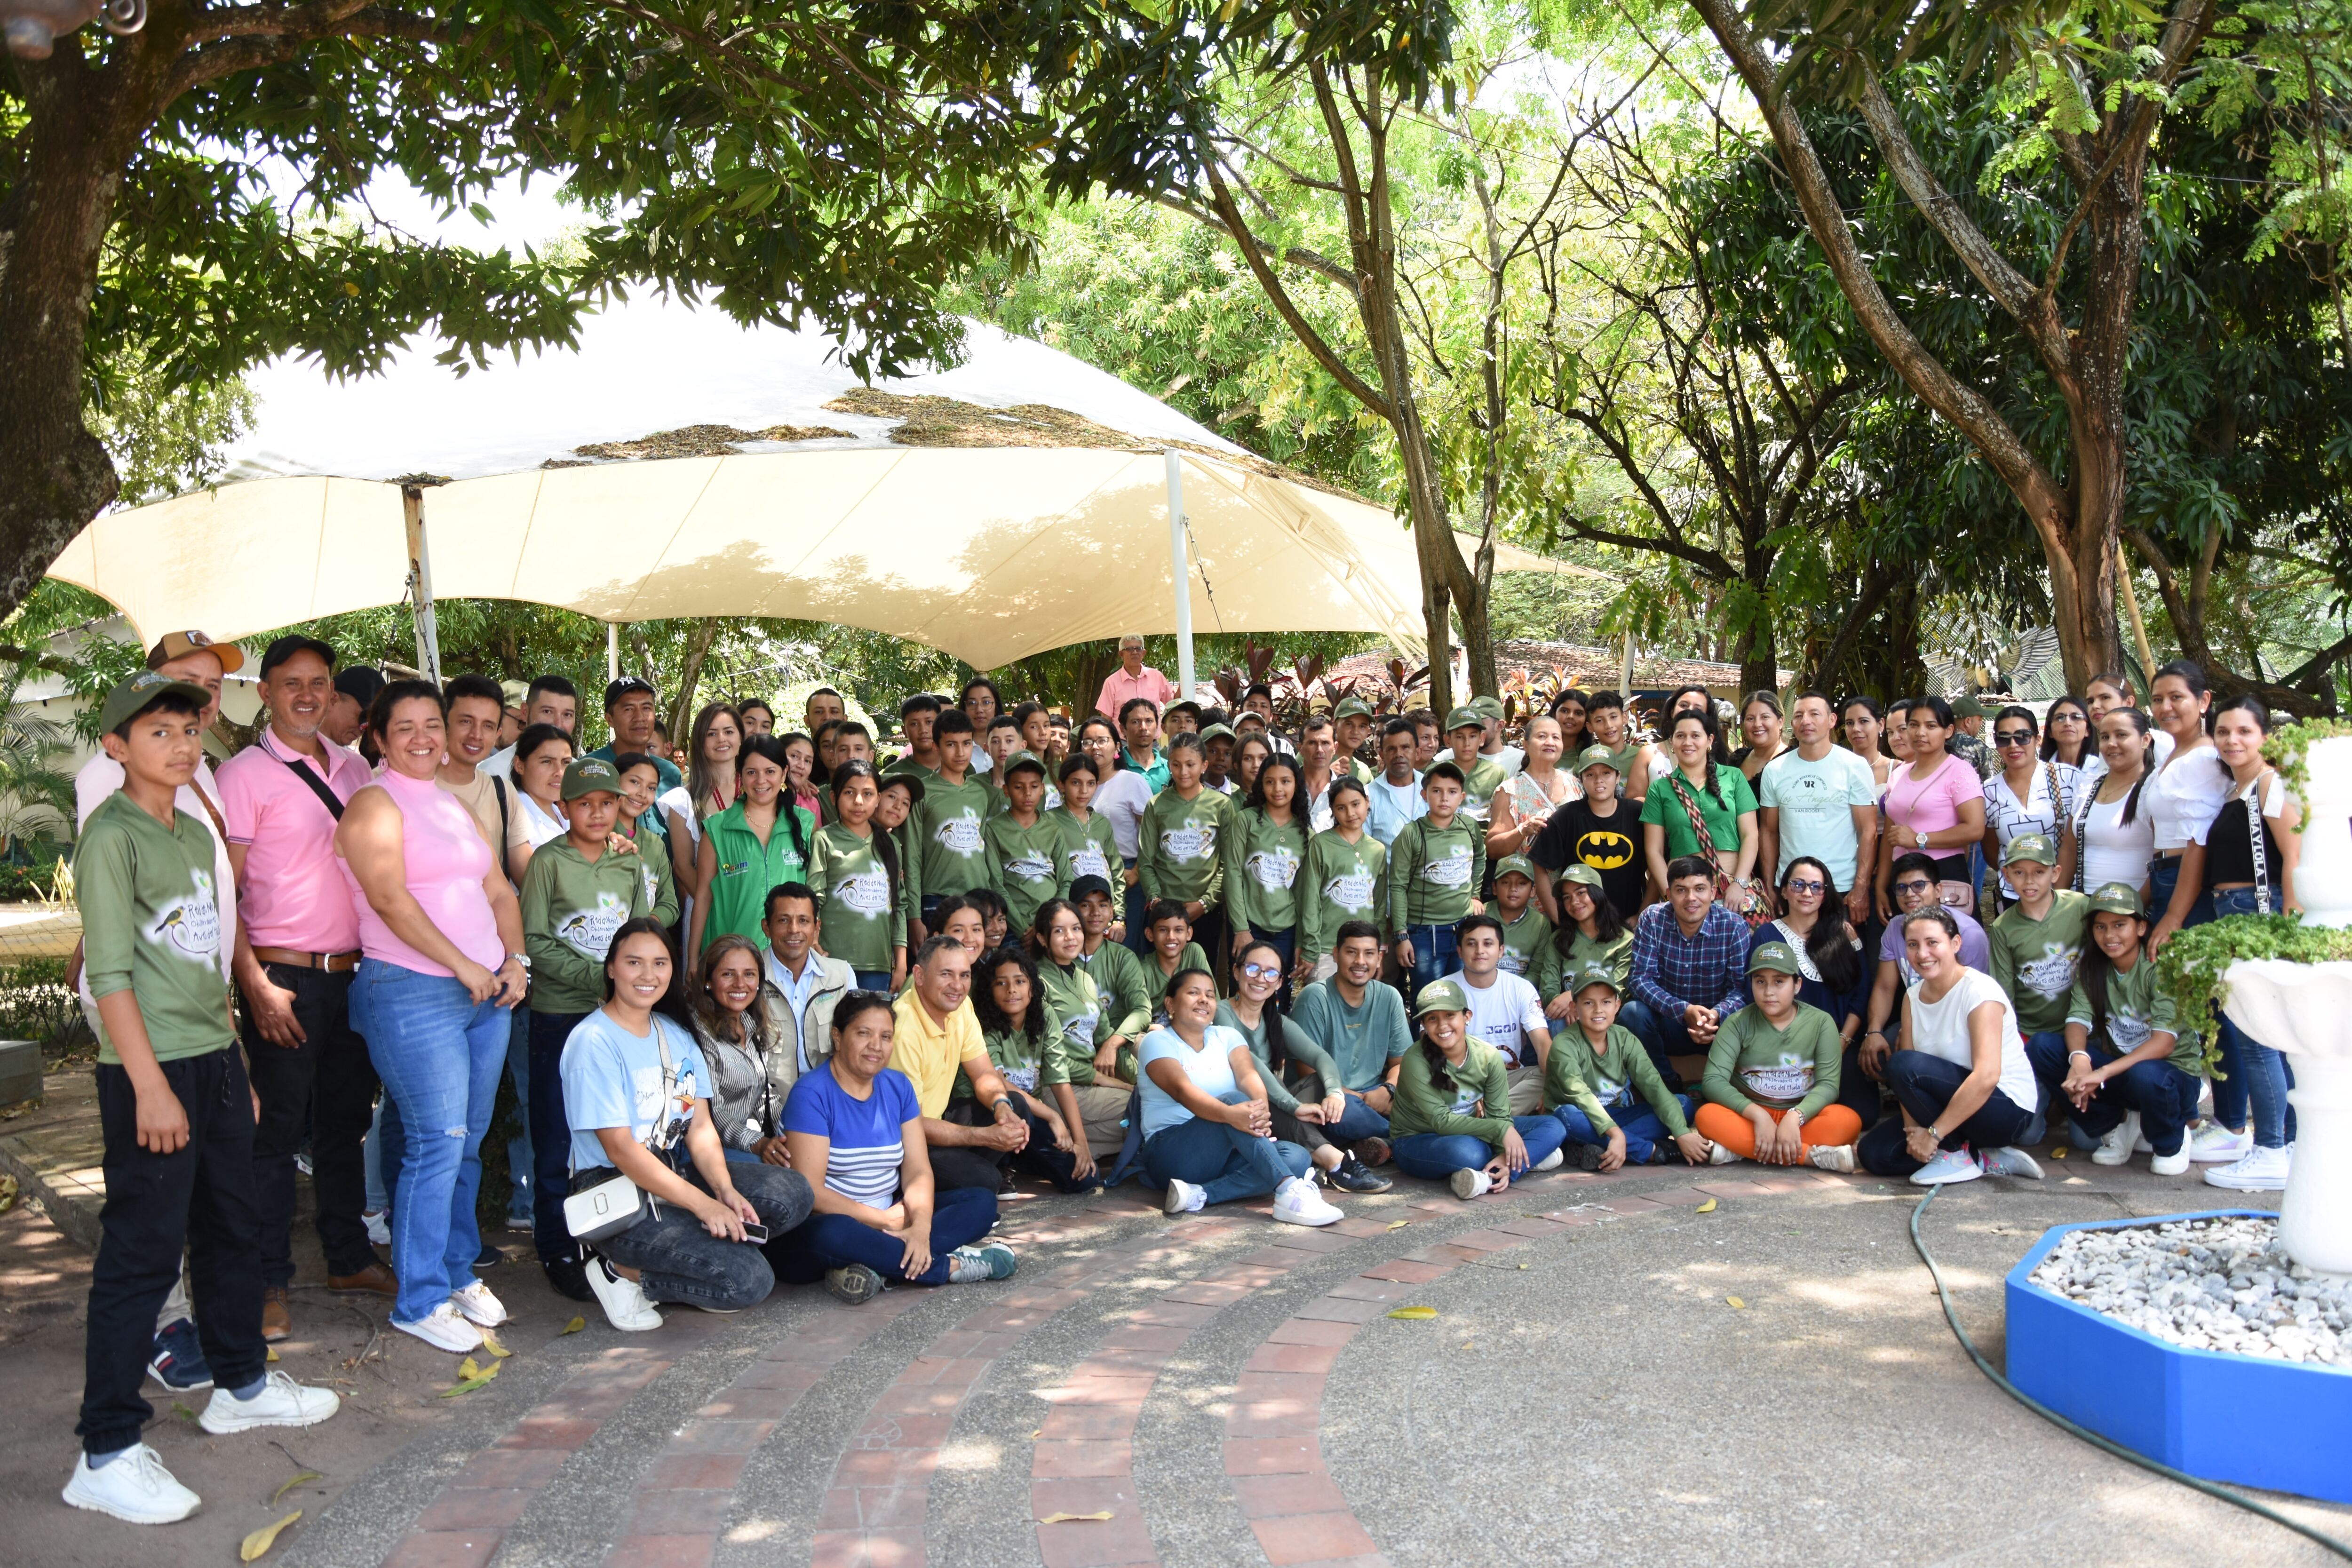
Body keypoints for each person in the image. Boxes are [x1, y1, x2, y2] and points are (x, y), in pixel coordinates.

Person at [65, 672, 342, 1526]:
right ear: (116, 747)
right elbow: (109, 972)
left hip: (216, 1062)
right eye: (158, 732)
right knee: (143, 1255)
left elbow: (204, 958)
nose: (182, 745)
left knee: (234, 1225)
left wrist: (236, 1070)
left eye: (189, 730)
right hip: (149, 1068)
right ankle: (105, 1448)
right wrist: (149, 1083)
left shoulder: (190, 830)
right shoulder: (111, 837)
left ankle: (241, 1382)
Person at [337, 681, 528, 1353]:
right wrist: (465, 966)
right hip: (411, 991)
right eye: (406, 727)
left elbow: (499, 889)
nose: (423, 737)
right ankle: (417, 1299)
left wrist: (514, 961)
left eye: (431, 725)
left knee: (467, 1141)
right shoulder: (372, 804)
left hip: (487, 993)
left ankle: (454, 1270)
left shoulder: (451, 806)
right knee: (436, 1140)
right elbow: (389, 899)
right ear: (380, 739)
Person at [217, 635, 390, 1342]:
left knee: (345, 1126)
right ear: (264, 692)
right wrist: (252, 981)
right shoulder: (242, 777)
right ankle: (266, 1280)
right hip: (282, 977)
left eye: (319, 682)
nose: (308, 694)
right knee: (276, 1133)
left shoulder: (356, 769)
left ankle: (347, 1257)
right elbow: (222, 895)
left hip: (354, 973)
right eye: (291, 683)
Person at [560, 921, 815, 1329]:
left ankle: (700, 1251)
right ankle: (619, 1271)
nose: (648, 975)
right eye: (634, 962)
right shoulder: (593, 1041)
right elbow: (621, 1150)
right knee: (749, 1280)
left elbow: (699, 1129)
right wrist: (703, 1205)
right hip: (617, 1190)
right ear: (611, 968)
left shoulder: (676, 1035)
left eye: (660, 963)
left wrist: (724, 1191)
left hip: (675, 1171)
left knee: (794, 1192)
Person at [521, 756, 677, 1293]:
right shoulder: (547, 862)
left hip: (614, 1020)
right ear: (563, 808)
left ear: (620, 807)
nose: (595, 812)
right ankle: (557, 1250)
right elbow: (534, 940)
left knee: (618, 1131)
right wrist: (600, 979)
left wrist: (625, 984)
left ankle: (609, 1244)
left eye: (606, 803)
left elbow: (638, 936)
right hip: (559, 1016)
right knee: (556, 1136)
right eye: (583, 803)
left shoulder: (630, 863)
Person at [770, 991, 1014, 1304]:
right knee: (833, 1234)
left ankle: (881, 1263)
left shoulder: (898, 1086)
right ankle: (946, 1266)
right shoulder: (812, 1094)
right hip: (831, 1224)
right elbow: (812, 1192)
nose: (876, 1046)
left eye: (886, 1036)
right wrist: (886, 1221)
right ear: (838, 1037)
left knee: (980, 1201)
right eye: (864, 1033)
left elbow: (917, 1169)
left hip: (894, 1214)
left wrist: (921, 1226)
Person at [2183, 694, 2304, 1184]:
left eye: (2243, 732)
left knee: (2258, 1038)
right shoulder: (2236, 791)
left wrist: (2288, 928)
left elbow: (2292, 859)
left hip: (2259, 913)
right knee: (2267, 1036)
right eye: (2223, 732)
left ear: (2264, 737)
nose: (2232, 740)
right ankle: (2291, 1147)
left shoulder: (2270, 786)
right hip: (2232, 913)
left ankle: (2272, 1149)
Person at [1855, 908, 2044, 1183]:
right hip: (1952, 1107)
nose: (1922, 954)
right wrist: (1912, 1131)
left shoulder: (1980, 992)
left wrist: (1932, 1135)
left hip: (2005, 1109)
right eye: (1913, 945)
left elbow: (1986, 1076)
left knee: (1903, 1063)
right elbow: (1904, 1083)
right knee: (1874, 1154)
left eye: (1933, 943)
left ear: (1955, 944)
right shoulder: (1912, 997)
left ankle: (1954, 1153)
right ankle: (1984, 1158)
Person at [2024, 884, 2199, 1178]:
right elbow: (2078, 1018)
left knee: (2146, 1074)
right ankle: (2117, 1123)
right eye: (2101, 927)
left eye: (2120, 925)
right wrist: (2079, 1059)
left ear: (2142, 927)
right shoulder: (2093, 967)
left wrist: (2100, 1073)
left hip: (2171, 1075)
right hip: (2124, 1073)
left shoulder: (2162, 968)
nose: (2110, 936)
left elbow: (2164, 1044)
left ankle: (2173, 1138)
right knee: (2043, 1047)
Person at [1141, 968, 1339, 1224]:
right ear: (1170, 1003)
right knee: (1232, 1100)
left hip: (1227, 1151)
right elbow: (1183, 1092)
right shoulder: (1157, 1042)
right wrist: (1234, 1116)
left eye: (1210, 995)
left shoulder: (1226, 1036)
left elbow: (1249, 1077)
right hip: (1173, 1152)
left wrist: (1260, 1113)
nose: (1204, 1000)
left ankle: (1199, 1195)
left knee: (1297, 1157)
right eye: (1193, 993)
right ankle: (1288, 1191)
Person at [1216, 939, 1390, 1191]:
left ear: (1278, 983)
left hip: (1277, 1108)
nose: (1260, 978)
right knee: (1266, 1092)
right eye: (1253, 969)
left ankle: (1382, 1138)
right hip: (1244, 1108)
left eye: (1271, 973)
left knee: (1322, 1083)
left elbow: (1321, 1058)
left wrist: (1334, 1093)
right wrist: (1294, 1106)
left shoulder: (1278, 1022)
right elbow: (1250, 1064)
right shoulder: (1222, 1013)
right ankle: (1337, 1163)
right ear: (1236, 972)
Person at [1388, 978, 1567, 1199]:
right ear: (1424, 1024)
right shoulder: (1415, 1060)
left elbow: (1500, 1115)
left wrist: (1503, 1151)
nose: (1442, 1026)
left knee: (1553, 1126)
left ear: (1467, 1017)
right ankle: (1526, 1159)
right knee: (1469, 1152)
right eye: (1432, 1019)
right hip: (1418, 1139)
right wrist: (1502, 1133)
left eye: (1450, 1016)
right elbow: (1441, 1122)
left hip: (1475, 1130)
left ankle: (1498, 1172)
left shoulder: (1488, 1056)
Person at [889, 935, 1043, 1191]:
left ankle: (965, 1179)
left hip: (935, 1119)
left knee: (1016, 1107)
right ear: (919, 975)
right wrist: (985, 1136)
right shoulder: (904, 1029)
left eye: (965, 975)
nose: (957, 986)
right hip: (906, 1140)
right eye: (946, 974)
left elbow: (983, 1072)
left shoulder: (961, 1006)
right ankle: (921, 1191)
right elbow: (912, 1125)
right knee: (986, 1179)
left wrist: (1001, 1108)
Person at [1693, 943, 1863, 1170]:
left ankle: (1741, 1150)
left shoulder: (1821, 1023)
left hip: (1803, 1117)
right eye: (1760, 981)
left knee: (1849, 1122)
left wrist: (1796, 1117)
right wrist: (1758, 1116)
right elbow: (1713, 1081)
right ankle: (1810, 1156)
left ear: (1797, 985)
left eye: (1779, 981)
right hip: (1750, 1116)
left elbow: (1829, 1086)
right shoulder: (1737, 1023)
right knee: (1706, 1116)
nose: (1769, 991)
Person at [1546, 964, 1710, 1170]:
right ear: (1574, 1008)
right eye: (1589, 1003)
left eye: (1606, 1002)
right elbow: (1581, 1096)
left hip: (1617, 1114)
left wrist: (1682, 1133)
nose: (1598, 1010)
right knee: (1566, 1117)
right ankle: (1654, 1152)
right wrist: (1614, 1133)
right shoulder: (1564, 1044)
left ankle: (1595, 1146)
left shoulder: (1625, 1039)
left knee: (1683, 1105)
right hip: (1583, 1116)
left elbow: (1654, 1086)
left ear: (1617, 1005)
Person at [961, 945, 1092, 1192]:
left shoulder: (1045, 1015)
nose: (1011, 990)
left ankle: (1019, 1161)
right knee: (1015, 1103)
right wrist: (1053, 1116)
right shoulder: (982, 1020)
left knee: (1082, 1179)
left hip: (1028, 1121)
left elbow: (1060, 1082)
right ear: (989, 989)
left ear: (1033, 986)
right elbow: (997, 1082)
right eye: (1001, 983)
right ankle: (1000, 1167)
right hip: (989, 1114)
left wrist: (1081, 1141)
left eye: (1020, 981)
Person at [1858, 852, 1993, 1084]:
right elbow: (1884, 988)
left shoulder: (1967, 934)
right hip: (1916, 1019)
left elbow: (1975, 1003)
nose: (1910, 894)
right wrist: (1874, 1031)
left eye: (1919, 885)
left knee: (1911, 1058)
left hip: (1961, 1028)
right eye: (1902, 888)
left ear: (1938, 890)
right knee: (1875, 1057)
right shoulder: (1894, 928)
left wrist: (1920, 1036)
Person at [1289, 922, 1411, 1161]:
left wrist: (1388, 1090)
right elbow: (1308, 1072)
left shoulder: (1389, 997)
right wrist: (1365, 1100)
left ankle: (1371, 1144)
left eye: (1369, 954)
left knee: (1427, 1093)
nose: (1360, 962)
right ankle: (1407, 1136)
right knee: (1345, 1113)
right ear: (1336, 954)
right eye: (1351, 952)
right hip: (1330, 1097)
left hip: (1378, 1095)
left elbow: (1401, 1062)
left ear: (1379, 958)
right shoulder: (1315, 997)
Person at [1625, 855, 1749, 1088]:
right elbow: (1640, 980)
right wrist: (1685, 1011)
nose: (1691, 898)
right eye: (1681, 890)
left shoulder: (1734, 926)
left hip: (1718, 1028)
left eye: (1700, 889)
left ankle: (1729, 1085)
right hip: (1669, 1024)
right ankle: (1665, 1082)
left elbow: (1740, 989)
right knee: (1632, 1013)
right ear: (1668, 893)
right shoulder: (1652, 919)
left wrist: (1715, 1015)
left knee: (1751, 1016)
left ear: (1713, 893)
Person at [1757, 690, 1878, 930]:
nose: (1806, 721)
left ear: (1832, 720)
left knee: (1840, 963)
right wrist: (1770, 886)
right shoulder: (1775, 770)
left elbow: (1868, 831)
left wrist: (1861, 888)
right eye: (1799, 715)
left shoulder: (1854, 766)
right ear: (1792, 723)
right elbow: (1769, 832)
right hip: (1792, 887)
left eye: (1815, 714)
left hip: (1840, 887)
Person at [1031, 899, 1134, 1178]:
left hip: (1089, 1084)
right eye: (1059, 931)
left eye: (1076, 929)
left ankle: (1079, 1146)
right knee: (1139, 1107)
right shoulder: (1036, 983)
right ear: (1042, 938)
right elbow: (1047, 1057)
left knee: (1143, 1106)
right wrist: (1105, 1080)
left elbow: (1101, 1036)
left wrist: (1134, 1074)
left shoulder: (1085, 978)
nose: (1071, 938)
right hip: (1058, 1087)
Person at [1750, 857, 1870, 1085]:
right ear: (1784, 891)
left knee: (1862, 1113)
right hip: (1786, 1047)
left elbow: (1861, 993)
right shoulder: (1767, 935)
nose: (1807, 893)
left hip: (1841, 1040)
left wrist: (1842, 1040)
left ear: (1826, 894)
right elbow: (1757, 997)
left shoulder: (1843, 933)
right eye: (1798, 885)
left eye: (1816, 887)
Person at [691, 734, 814, 954]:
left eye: (770, 771)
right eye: (751, 772)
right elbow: (703, 897)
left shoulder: (805, 824)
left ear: (784, 773)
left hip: (790, 958)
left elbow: (816, 891)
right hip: (730, 960)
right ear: (741, 776)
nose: (761, 781)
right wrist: (693, 958)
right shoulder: (717, 829)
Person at [1640, 708, 1761, 915]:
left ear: (1710, 740)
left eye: (1696, 736)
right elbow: (1654, 851)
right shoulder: (1659, 789)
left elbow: (1750, 835)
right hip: (1685, 896)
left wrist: (1740, 884)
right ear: (1672, 743)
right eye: (1680, 736)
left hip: (1733, 892)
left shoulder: (1734, 777)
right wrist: (1672, 896)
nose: (1688, 742)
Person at [1985, 833, 2089, 1070]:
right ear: (2007, 875)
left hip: (2083, 1028)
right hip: (2029, 1033)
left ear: (2055, 873)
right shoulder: (2003, 928)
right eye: (2019, 872)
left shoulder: (2080, 907)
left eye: (2039, 872)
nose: (2029, 881)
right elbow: (2004, 993)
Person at [1137, 732, 1239, 973]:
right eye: (1176, 764)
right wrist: (1157, 902)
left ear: (1204, 766)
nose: (1183, 772)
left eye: (1191, 765)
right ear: (1168, 764)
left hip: (1204, 911)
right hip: (1164, 911)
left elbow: (1229, 863)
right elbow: (1146, 862)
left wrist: (1205, 903)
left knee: (1201, 978)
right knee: (1163, 978)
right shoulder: (1157, 805)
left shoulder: (1222, 805)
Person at [2144, 660, 2229, 946]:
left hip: (2187, 884)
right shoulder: (2172, 756)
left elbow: (2199, 843)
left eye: (2176, 697)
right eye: (2158, 699)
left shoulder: (2203, 759)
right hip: (2166, 878)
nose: (2165, 707)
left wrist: (2174, 916)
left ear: (2203, 701)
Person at [1876, 697, 1986, 917]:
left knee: (1946, 945)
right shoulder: (1899, 775)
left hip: (1943, 874)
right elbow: (1891, 834)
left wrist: (1919, 839)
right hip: (1902, 877)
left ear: (1949, 731)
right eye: (1914, 725)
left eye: (1931, 726)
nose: (1920, 733)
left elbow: (1975, 829)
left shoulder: (1960, 772)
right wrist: (1881, 885)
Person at [808, 759, 909, 992]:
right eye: (849, 793)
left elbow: (899, 906)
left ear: (878, 799)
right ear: (834, 798)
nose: (858, 801)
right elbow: (815, 897)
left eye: (868, 794)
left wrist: (901, 965)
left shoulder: (891, 844)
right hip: (831, 959)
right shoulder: (823, 840)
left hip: (878, 964)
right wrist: (814, 943)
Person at [689, 935, 792, 1163]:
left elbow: (764, 1095)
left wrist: (789, 1136)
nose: (740, 984)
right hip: (707, 1150)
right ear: (708, 981)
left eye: (749, 974)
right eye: (728, 974)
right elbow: (712, 1112)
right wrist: (757, 1143)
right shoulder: (700, 1034)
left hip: (740, 1144)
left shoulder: (749, 1022)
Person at [1441, 913, 1554, 1115]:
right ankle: (1497, 1122)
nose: (1480, 951)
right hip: (1460, 1080)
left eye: (1488, 944)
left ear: (1501, 951)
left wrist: (1553, 1088)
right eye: (1471, 944)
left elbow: (1544, 1044)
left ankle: (1486, 1119)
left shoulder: (1521, 988)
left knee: (1551, 1077)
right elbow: (1431, 1051)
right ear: (1459, 951)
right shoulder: (1443, 990)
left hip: (1508, 1079)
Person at [1389, 760, 1486, 994]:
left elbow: (1481, 857)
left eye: (1452, 792)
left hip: (1464, 928)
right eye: (1437, 791)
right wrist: (1402, 935)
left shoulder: (1470, 828)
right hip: (1424, 931)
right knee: (1427, 998)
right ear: (1424, 795)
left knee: (1462, 995)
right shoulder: (1412, 833)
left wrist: (1475, 895)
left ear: (1461, 797)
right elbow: (1398, 885)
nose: (1444, 798)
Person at [752, 883, 858, 1094]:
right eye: (783, 920)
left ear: (817, 927)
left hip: (828, 1099)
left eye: (803, 921)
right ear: (767, 927)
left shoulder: (841, 975)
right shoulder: (751, 976)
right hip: (768, 1103)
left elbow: (856, 1043)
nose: (794, 930)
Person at [1530, 745, 1645, 923]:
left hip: (1629, 920)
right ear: (1581, 780)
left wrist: (1642, 914)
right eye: (1590, 775)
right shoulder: (1567, 816)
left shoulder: (1637, 814)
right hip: (1581, 925)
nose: (1599, 780)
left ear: (1618, 777)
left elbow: (1657, 859)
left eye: (1606, 773)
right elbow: (1538, 863)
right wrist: (1557, 917)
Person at [1980, 706, 2082, 906]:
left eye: (2022, 736)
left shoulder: (2068, 778)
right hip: (2014, 896)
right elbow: (1992, 851)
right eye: (2004, 738)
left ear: (2037, 740)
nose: (2013, 745)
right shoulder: (1989, 791)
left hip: (2065, 894)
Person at [1224, 753, 1308, 992]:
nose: (1277, 788)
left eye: (1285, 781)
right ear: (1261, 784)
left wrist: (1301, 940)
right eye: (1270, 781)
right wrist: (1241, 928)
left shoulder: (1305, 834)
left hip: (1286, 929)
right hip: (1249, 924)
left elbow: (1303, 892)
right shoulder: (1246, 820)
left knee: (1277, 996)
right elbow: (1233, 874)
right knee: (1245, 990)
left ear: (1296, 784)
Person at [909, 710, 996, 937]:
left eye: (966, 743)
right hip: (936, 897)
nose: (960, 753)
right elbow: (912, 855)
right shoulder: (921, 792)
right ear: (936, 747)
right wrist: (914, 916)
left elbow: (984, 848)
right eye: (951, 744)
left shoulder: (980, 792)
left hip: (979, 896)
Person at [1297, 778, 1383, 985]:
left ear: (1367, 802)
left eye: (1356, 804)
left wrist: (1380, 949)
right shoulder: (1321, 845)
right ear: (1333, 811)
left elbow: (1379, 904)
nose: (1351, 813)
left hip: (1364, 947)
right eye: (1341, 808)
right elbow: (1310, 899)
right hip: (1327, 947)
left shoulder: (1377, 850)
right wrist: (1310, 946)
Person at [1077, 716, 1153, 947]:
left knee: (1125, 948)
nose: (1095, 747)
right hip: (1087, 874)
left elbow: (1151, 832)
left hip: (1128, 875)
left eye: (1102, 741)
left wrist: (1138, 871)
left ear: (1117, 747)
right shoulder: (1078, 785)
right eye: (1087, 742)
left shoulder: (1131, 781)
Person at [1539, 865, 1641, 1038]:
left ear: (1597, 893)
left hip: (1609, 1017)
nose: (1574, 902)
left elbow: (1619, 990)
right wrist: (1571, 1006)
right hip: (1569, 1018)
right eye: (1567, 897)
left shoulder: (1624, 941)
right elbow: (1549, 988)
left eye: (1581, 893)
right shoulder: (1558, 940)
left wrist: (1575, 998)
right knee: (1555, 1020)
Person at [1069, 876, 1151, 1084]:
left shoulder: (1123, 957)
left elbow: (1142, 1010)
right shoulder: (1062, 957)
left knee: (1155, 1049)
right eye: (1086, 905)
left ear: (1112, 912)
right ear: (1072, 911)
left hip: (1121, 1040)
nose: (1096, 913)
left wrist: (1113, 1044)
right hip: (1076, 1044)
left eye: (1103, 905)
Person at [438, 673, 517, 877]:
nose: (476, 735)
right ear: (443, 722)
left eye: (488, 726)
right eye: (466, 721)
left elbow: (524, 872)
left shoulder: (502, 792)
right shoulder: (399, 784)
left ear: (498, 733)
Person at [2073, 708, 2157, 897]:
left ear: (2145, 740)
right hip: (2084, 906)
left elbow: (2165, 862)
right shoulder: (2089, 786)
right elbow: (2069, 852)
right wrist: (2058, 908)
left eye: (2121, 735)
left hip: (2130, 911)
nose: (2111, 744)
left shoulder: (2154, 788)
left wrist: (2135, 909)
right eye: (2104, 737)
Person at [985, 751, 1068, 935]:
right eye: (1019, 787)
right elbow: (996, 884)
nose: (1027, 793)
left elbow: (1066, 881)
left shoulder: (1054, 830)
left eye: (1034, 786)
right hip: (1014, 926)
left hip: (1051, 925)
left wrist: (1049, 922)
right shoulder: (994, 829)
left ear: (1042, 789)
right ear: (1006, 790)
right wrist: (1024, 930)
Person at [1489, 712, 1575, 864]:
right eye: (1542, 737)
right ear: (1526, 745)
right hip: (1526, 882)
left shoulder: (1575, 784)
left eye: (1556, 737)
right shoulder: (1509, 791)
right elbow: (1493, 849)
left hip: (1571, 881)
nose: (1550, 742)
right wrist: (1522, 830)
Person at [504, 722, 574, 888]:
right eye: (547, 762)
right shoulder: (515, 811)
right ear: (520, 765)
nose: (560, 772)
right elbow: (534, 886)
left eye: (566, 762)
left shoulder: (561, 810)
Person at [589, 677, 684, 792]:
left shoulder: (670, 773)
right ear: (610, 719)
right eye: (629, 709)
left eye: (646, 708)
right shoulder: (589, 769)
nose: (639, 718)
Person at [2083, 673, 2176, 784]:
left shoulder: (2164, 743)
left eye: (2105, 698)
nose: (2095, 706)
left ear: (2129, 702)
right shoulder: (2105, 749)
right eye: (2090, 702)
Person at [1048, 752, 1120, 894]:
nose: (1084, 791)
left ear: (1097, 785)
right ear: (1061, 785)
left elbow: (1116, 872)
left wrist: (1118, 912)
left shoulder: (1102, 823)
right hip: (1068, 908)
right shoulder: (1049, 821)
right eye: (1076, 783)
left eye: (1091, 783)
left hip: (1103, 908)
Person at [1363, 717, 1426, 847]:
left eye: (1405, 747)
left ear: (1418, 753)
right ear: (1381, 755)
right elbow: (1364, 849)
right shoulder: (1368, 796)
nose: (1399, 754)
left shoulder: (1433, 789)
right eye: (1391, 749)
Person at [1440, 706, 1509, 825]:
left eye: (1473, 736)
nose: (1467, 743)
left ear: (1482, 739)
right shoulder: (1438, 772)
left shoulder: (1496, 773)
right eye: (1460, 737)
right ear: (1448, 741)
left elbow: (1503, 820)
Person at [1582, 690, 1654, 803]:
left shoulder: (1642, 757)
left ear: (1625, 717)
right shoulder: (1587, 760)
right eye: (1600, 721)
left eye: (1614, 717)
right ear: (1590, 727)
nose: (1609, 726)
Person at [1489, 854, 1552, 981]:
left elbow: (1536, 972)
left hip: (1519, 994)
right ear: (1494, 888)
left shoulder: (1540, 924)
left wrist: (1515, 992)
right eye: (1506, 882)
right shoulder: (1481, 914)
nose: (1513, 889)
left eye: (1522, 883)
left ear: (1533, 890)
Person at [1097, 634, 1177, 724]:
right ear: (1121, 654)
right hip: (1122, 738)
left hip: (1152, 737)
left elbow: (1175, 704)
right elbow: (1106, 721)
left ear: (1144, 653)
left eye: (1139, 649)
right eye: (1130, 649)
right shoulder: (1111, 683)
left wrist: (1187, 672)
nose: (1135, 652)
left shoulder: (1156, 677)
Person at [1839, 695, 1893, 792]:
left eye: (1864, 721)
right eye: (1850, 723)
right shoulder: (1836, 769)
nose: (1856, 729)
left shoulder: (1896, 769)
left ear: (1880, 725)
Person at [1296, 712, 1339, 831]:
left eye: (1325, 743)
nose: (1319, 750)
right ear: (1300, 748)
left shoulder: (1344, 791)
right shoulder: (1288, 787)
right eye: (1312, 743)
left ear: (1335, 748)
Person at [1732, 691, 1787, 783]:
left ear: (1780, 722)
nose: (1757, 724)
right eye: (1750, 719)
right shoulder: (1737, 760)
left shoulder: (1791, 762)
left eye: (1765, 717)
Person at [886, 693, 944, 778]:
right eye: (914, 724)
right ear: (905, 731)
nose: (923, 730)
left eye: (929, 722)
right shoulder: (894, 773)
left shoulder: (960, 767)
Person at [1946, 695, 1999, 781]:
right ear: (1968, 722)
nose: (1981, 723)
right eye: (1980, 719)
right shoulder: (1980, 748)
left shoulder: (1939, 743)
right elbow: (1989, 786)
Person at [2041, 695, 2097, 772]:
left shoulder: (2100, 769)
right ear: (2050, 731)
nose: (2068, 723)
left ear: (2088, 730)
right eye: (2060, 718)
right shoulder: (2039, 773)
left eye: (2076, 717)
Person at [781, 730, 826, 822]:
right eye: (794, 756)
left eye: (808, 761)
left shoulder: (812, 804)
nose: (801, 766)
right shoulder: (764, 794)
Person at [1331, 695, 1377, 783]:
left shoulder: (1365, 772)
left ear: (1368, 731)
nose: (1356, 732)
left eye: (1362, 727)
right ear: (1335, 724)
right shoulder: (1313, 758)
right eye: (1349, 724)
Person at [1549, 688, 1593, 762]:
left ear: (1586, 721)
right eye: (1564, 711)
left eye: (1579, 713)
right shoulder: (1538, 749)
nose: (1571, 716)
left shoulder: (1592, 756)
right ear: (1554, 714)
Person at [1232, 732, 1274, 803]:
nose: (1256, 765)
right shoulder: (1230, 806)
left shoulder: (1282, 800)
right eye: (1248, 759)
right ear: (1236, 765)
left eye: (1262, 758)